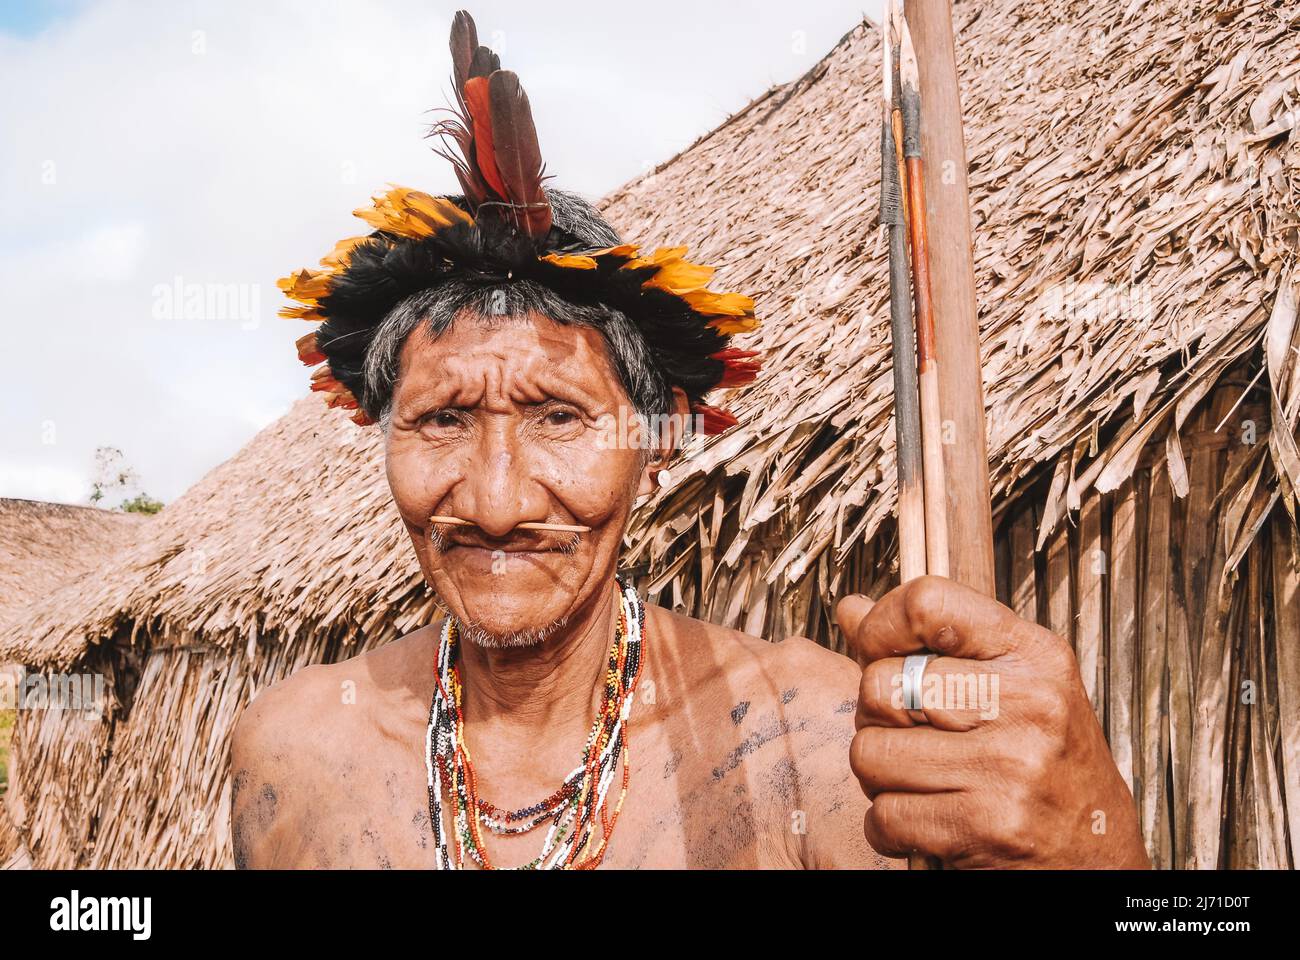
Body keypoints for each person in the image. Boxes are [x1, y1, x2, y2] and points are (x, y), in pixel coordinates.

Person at [229, 11, 1148, 870]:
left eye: (558, 416)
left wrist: (1095, 851)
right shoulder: (293, 750)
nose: (496, 504)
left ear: (656, 438)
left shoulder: (829, 747)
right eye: (441, 420)